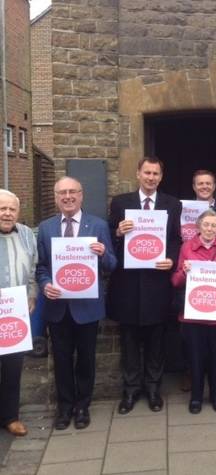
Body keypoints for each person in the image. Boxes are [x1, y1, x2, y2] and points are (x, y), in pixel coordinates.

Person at [37, 177, 117, 430]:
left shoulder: (98, 225)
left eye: (73, 192)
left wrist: (103, 254)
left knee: (86, 359)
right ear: (56, 196)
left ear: (81, 195)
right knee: (61, 359)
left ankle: (83, 405)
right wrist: (45, 283)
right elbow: (40, 267)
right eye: (63, 192)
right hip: (58, 307)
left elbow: (112, 265)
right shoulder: (46, 227)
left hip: (87, 308)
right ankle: (64, 407)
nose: (68, 196)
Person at [108, 157, 182, 415]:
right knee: (129, 340)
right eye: (147, 173)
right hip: (128, 284)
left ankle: (153, 389)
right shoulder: (120, 203)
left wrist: (172, 259)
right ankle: (129, 391)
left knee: (156, 340)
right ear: (138, 173)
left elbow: (175, 239)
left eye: (156, 174)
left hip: (157, 283)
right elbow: (108, 240)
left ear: (161, 177)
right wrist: (118, 232)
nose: (151, 178)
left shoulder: (172, 204)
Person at [171, 209, 216, 413]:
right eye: (206, 224)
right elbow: (175, 281)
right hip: (195, 314)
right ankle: (196, 396)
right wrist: (184, 272)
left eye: (214, 225)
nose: (209, 228)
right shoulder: (186, 248)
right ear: (198, 227)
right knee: (195, 356)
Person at [0, 190, 37, 436]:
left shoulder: (26, 235)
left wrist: (32, 294)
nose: (7, 213)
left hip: (15, 313)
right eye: (2, 208)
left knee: (13, 368)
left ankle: (10, 416)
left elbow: (34, 268)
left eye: (12, 209)